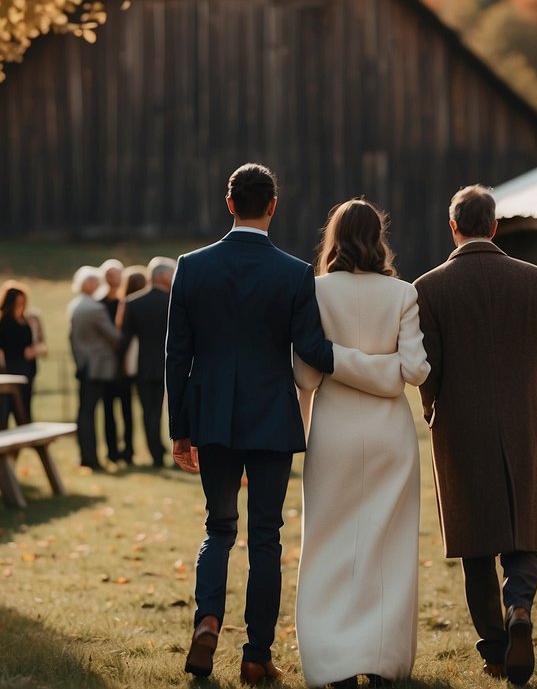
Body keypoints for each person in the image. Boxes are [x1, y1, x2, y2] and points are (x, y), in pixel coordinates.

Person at [166, 163, 335, 684]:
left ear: (230, 203)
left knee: (218, 529)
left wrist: (180, 429)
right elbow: (312, 349)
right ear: (274, 206)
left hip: (212, 414)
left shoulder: (192, 267)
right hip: (270, 417)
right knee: (266, 536)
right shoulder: (293, 273)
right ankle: (257, 654)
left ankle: (208, 621)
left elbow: (177, 354)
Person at [414, 185, 537, 687]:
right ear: (495, 226)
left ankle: (495, 648)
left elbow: (427, 366)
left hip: (459, 426)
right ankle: (519, 607)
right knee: (522, 528)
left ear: (453, 227)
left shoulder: (429, 287)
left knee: (475, 540)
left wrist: (433, 410)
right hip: (523, 419)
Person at [293, 198, 430, 689]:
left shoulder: (314, 291)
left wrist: (340, 359)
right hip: (391, 435)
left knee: (329, 548)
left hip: (333, 433)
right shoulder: (403, 293)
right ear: (379, 238)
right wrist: (380, 371)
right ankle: (382, 659)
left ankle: (334, 661)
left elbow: (306, 373)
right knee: (388, 548)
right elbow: (413, 371)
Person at [118, 260, 173, 467]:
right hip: (169, 366)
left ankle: (155, 454)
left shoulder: (133, 302)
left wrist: (120, 367)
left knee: (148, 411)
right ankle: (167, 451)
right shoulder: (173, 301)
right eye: (171, 274)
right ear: (160, 276)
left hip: (143, 366)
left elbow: (125, 339)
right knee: (166, 412)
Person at [68, 266, 120, 469]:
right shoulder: (95, 308)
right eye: (97, 282)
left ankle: (85, 455)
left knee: (84, 411)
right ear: (89, 283)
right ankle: (91, 458)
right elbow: (113, 336)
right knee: (89, 412)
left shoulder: (75, 305)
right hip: (98, 366)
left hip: (84, 363)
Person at [98, 258, 134, 465]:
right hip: (107, 365)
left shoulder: (128, 303)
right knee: (108, 410)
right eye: (109, 275)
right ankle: (112, 451)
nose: (113, 279)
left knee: (127, 410)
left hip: (125, 366)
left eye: (117, 274)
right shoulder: (100, 303)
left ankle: (128, 450)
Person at [0, 281, 41, 428]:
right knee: (9, 406)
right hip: (12, 368)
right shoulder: (5, 321)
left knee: (25, 407)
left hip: (27, 368)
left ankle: (25, 433)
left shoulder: (26, 320)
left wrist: (34, 350)